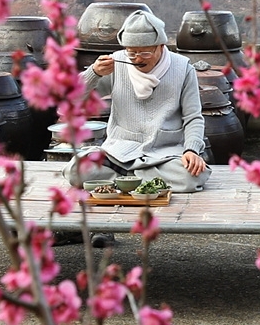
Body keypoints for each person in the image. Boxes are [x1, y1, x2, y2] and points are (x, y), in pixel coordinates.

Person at [64, 10, 211, 196]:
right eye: (132, 53)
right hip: (119, 152)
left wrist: (191, 150)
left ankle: (125, 177)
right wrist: (94, 73)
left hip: (163, 155)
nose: (138, 59)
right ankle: (139, 177)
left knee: (191, 178)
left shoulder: (183, 68)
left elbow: (193, 118)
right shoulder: (116, 63)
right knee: (75, 171)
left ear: (161, 46)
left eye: (145, 53)